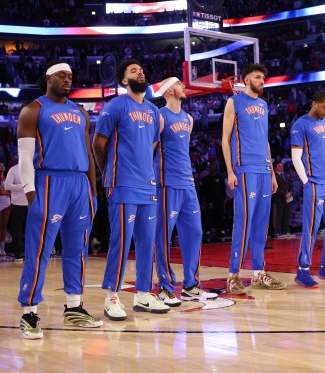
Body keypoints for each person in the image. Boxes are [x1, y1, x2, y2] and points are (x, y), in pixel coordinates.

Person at [17, 61, 102, 340]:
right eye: (62, 76)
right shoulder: (33, 110)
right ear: (48, 78)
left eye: (70, 76)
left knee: (77, 249)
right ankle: (29, 312)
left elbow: (89, 154)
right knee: (40, 251)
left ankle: (74, 307)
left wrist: (92, 190)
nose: (67, 80)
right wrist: (31, 194)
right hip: (49, 181)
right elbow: (24, 159)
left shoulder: (80, 112)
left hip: (79, 184)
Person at [93, 59, 169, 321]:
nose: (141, 72)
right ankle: (111, 297)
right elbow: (98, 144)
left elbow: (154, 147)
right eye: (134, 70)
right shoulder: (115, 105)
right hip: (122, 183)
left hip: (147, 185)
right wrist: (108, 174)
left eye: (142, 69)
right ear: (124, 81)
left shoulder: (154, 111)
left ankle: (143, 294)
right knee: (121, 243)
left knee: (148, 242)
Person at [221, 64, 286, 294]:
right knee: (244, 222)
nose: (262, 80)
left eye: (263, 77)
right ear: (246, 79)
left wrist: (271, 172)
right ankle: (233, 275)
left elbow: (265, 139)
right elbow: (225, 138)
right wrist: (230, 171)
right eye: (258, 77)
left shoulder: (263, 104)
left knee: (261, 224)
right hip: (244, 168)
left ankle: (258, 273)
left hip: (263, 169)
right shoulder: (234, 101)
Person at [153, 77, 218, 307]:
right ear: (170, 90)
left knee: (195, 233)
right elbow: (150, 149)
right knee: (163, 237)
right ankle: (165, 287)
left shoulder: (188, 118)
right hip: (166, 183)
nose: (184, 87)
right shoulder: (159, 116)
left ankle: (190, 286)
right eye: (180, 84)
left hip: (187, 183)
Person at [290, 90, 325, 288]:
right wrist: (306, 181)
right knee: (311, 228)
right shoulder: (300, 124)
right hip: (315, 182)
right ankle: (303, 270)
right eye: (323, 106)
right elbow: (296, 156)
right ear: (314, 103)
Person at [3, 163, 26, 259]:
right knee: (17, 230)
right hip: (17, 203)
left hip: (32, 203)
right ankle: (18, 253)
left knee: (32, 229)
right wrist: (23, 186)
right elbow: (7, 186)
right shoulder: (13, 169)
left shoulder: (33, 169)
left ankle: (31, 252)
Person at [271, 160, 292, 238]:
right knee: (278, 215)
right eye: (279, 166)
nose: (281, 167)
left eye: (282, 166)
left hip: (287, 199)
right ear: (275, 168)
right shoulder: (274, 176)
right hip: (279, 199)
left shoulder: (285, 175)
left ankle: (286, 230)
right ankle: (278, 231)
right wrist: (284, 194)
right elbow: (277, 188)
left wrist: (290, 192)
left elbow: (290, 184)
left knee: (286, 215)